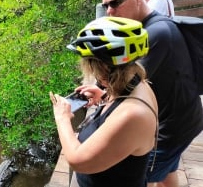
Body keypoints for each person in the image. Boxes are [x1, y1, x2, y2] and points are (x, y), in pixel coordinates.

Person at [100, 0, 203, 186]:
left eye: (115, 3)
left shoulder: (153, 34)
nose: (110, 11)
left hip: (171, 129)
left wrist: (104, 96)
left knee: (129, 177)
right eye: (106, 5)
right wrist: (102, 91)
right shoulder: (147, 28)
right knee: (166, 172)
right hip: (185, 119)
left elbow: (127, 88)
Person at [50, 16, 158, 187]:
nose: (91, 72)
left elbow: (77, 160)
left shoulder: (133, 115)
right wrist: (105, 96)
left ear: (104, 67)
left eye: (90, 66)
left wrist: (62, 118)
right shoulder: (137, 83)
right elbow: (121, 110)